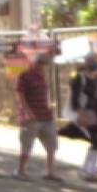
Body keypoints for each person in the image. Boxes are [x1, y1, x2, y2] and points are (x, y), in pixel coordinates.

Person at [14, 49, 62, 182]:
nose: (43, 67)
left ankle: (49, 171)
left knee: (52, 145)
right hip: (31, 117)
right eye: (41, 64)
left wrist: (49, 105)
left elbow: (43, 94)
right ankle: (20, 170)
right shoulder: (24, 76)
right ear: (34, 63)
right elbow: (20, 95)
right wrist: (28, 112)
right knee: (27, 145)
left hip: (45, 115)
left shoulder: (42, 77)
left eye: (45, 64)